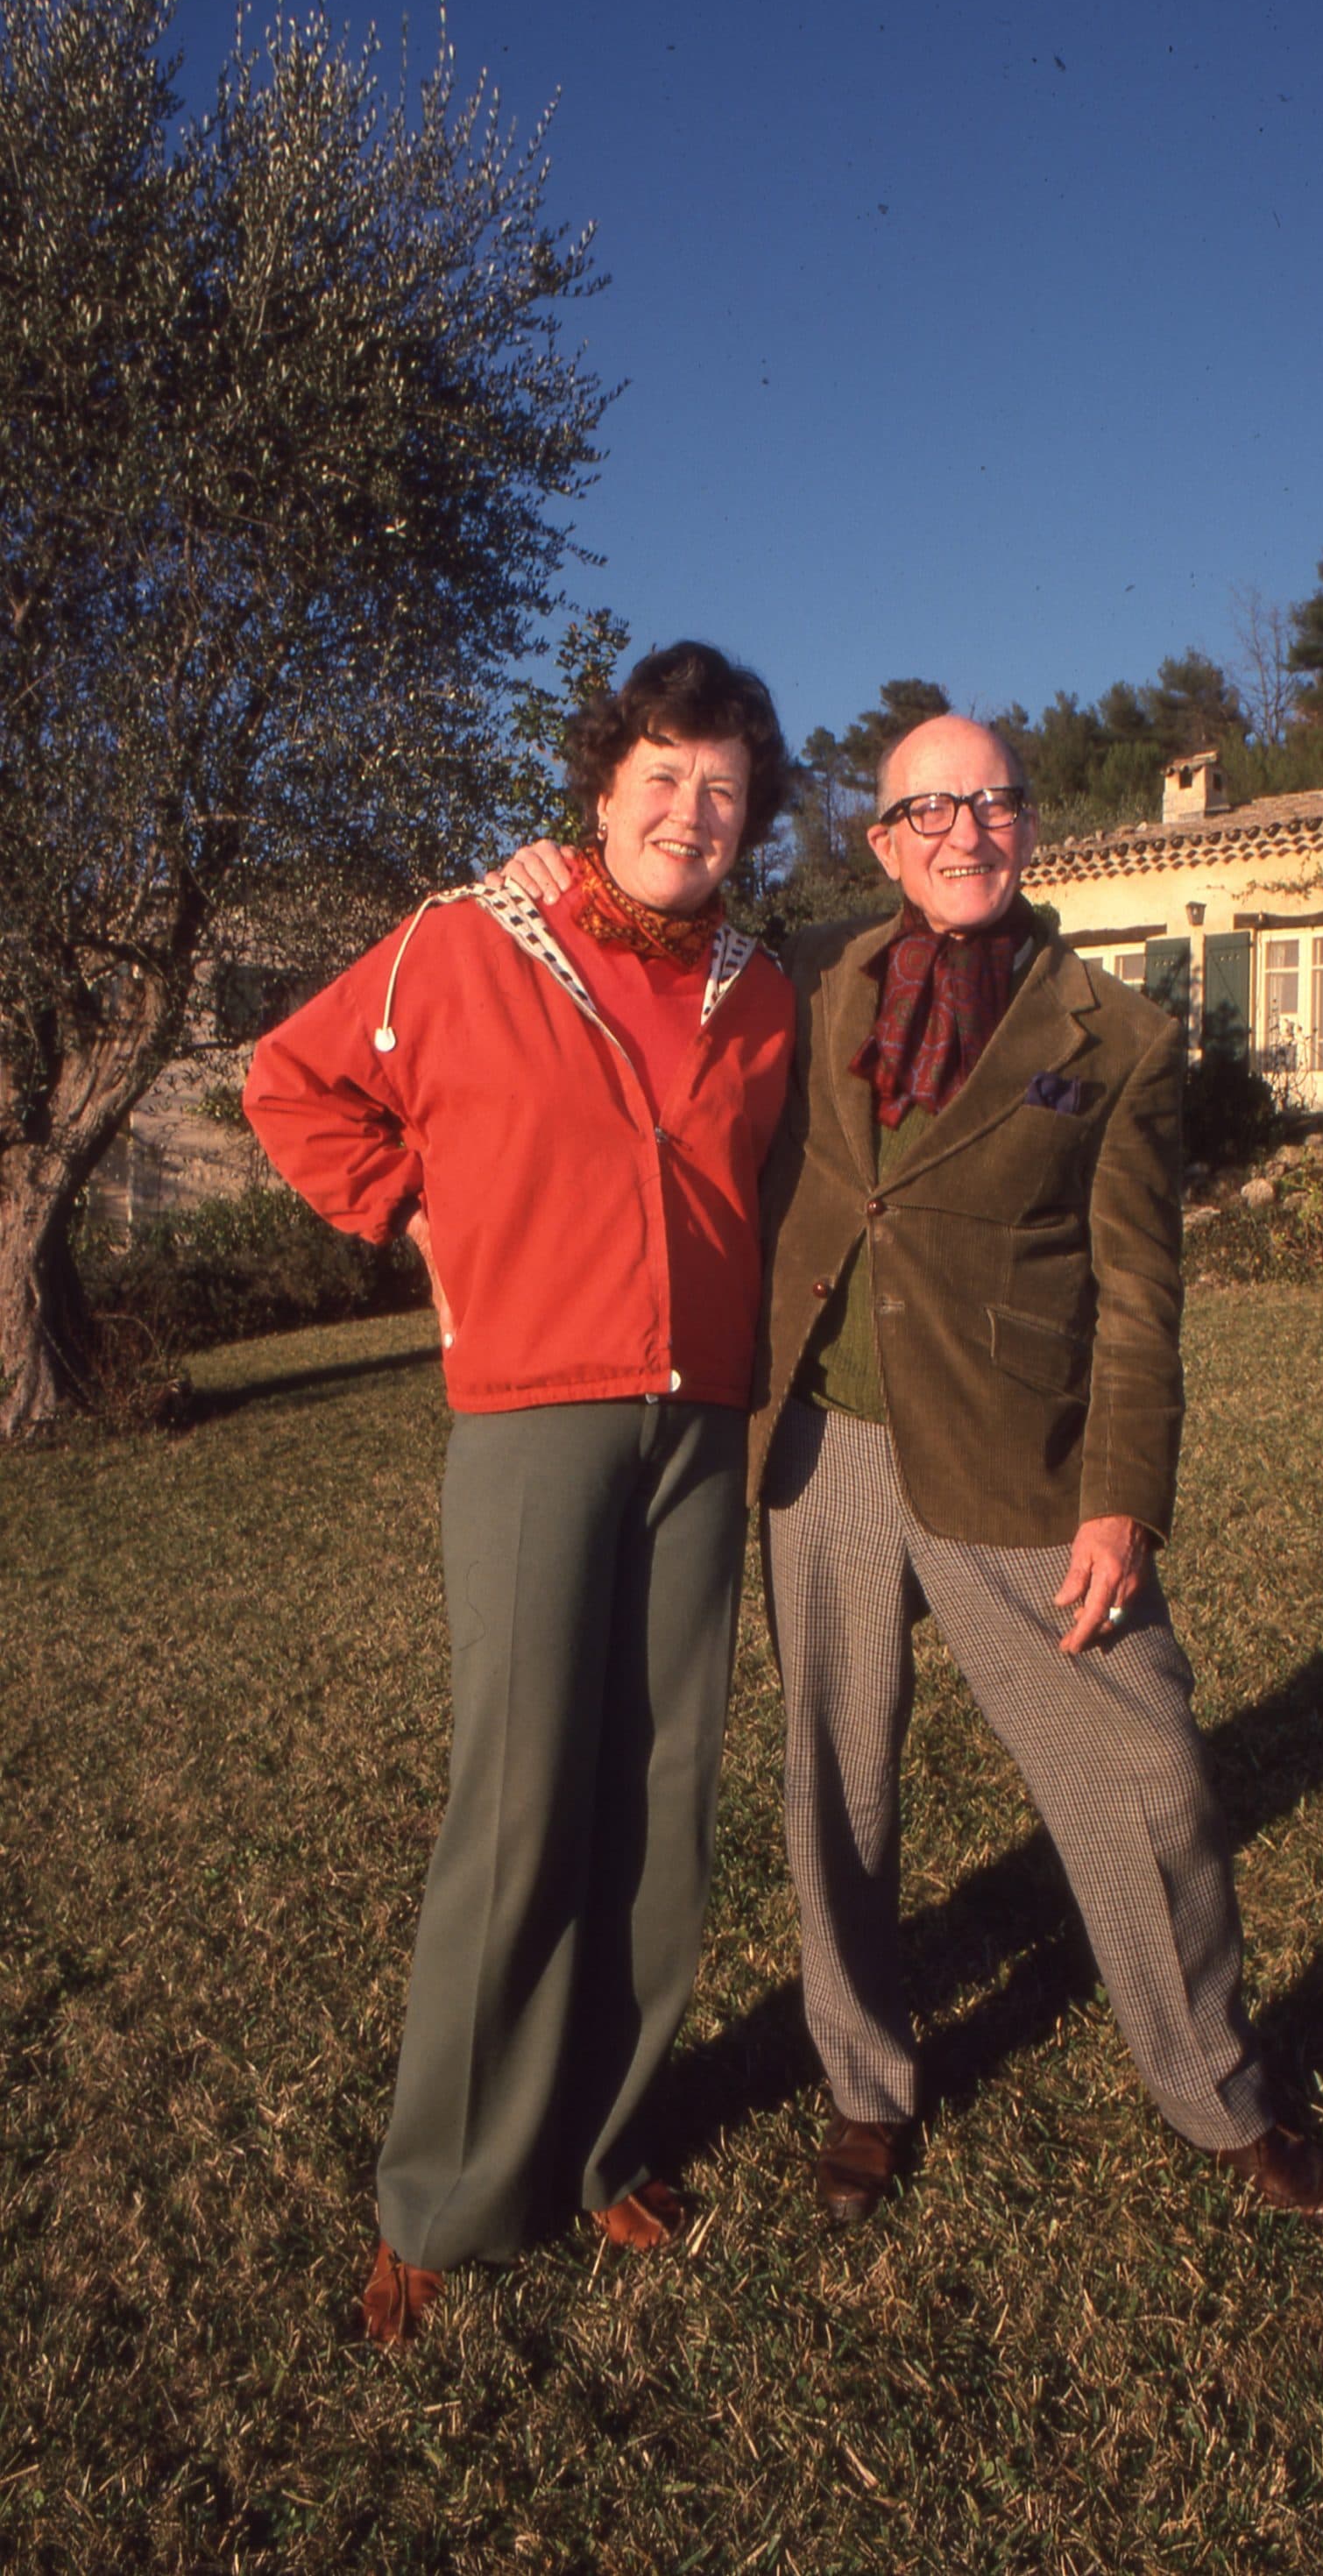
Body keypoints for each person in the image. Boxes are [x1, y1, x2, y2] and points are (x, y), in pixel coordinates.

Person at [506, 711, 1323, 2230]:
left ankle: (1214, 2091)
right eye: (929, 811)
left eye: (994, 804)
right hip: (817, 1441)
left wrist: (1123, 1496)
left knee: (1142, 1768)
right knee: (836, 1780)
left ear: (1028, 829)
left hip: (1017, 1451)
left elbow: (1141, 1297)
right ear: (882, 841)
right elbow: (635, 924)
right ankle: (862, 2086)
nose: (965, 832)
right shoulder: (802, 971)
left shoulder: (1121, 1036)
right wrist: (538, 885)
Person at [244, 641, 797, 2343]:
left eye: (722, 790)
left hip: (699, 1425)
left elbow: (774, 1178)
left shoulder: (761, 991)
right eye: (661, 776)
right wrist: (411, 1211)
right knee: (517, 1806)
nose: (689, 813)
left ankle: (600, 2147)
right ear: (603, 781)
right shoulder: (467, 939)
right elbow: (288, 1082)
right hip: (530, 1420)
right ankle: (442, 2195)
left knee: (659, 1794)